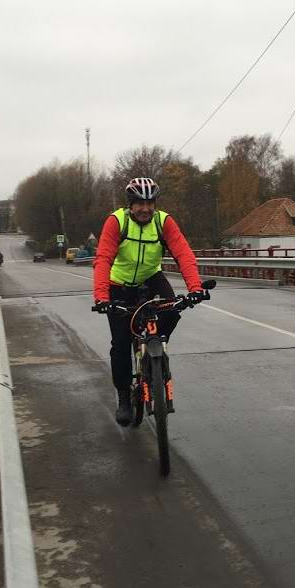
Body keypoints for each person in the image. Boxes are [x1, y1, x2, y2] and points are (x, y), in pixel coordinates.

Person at [93, 177, 205, 426]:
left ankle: (154, 349)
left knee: (174, 309)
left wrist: (195, 288)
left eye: (149, 203)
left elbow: (183, 253)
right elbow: (103, 259)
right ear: (130, 205)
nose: (145, 208)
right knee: (120, 344)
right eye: (139, 203)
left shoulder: (163, 222)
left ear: (155, 203)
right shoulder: (117, 222)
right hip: (118, 285)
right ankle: (124, 398)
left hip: (151, 278)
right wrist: (102, 298)